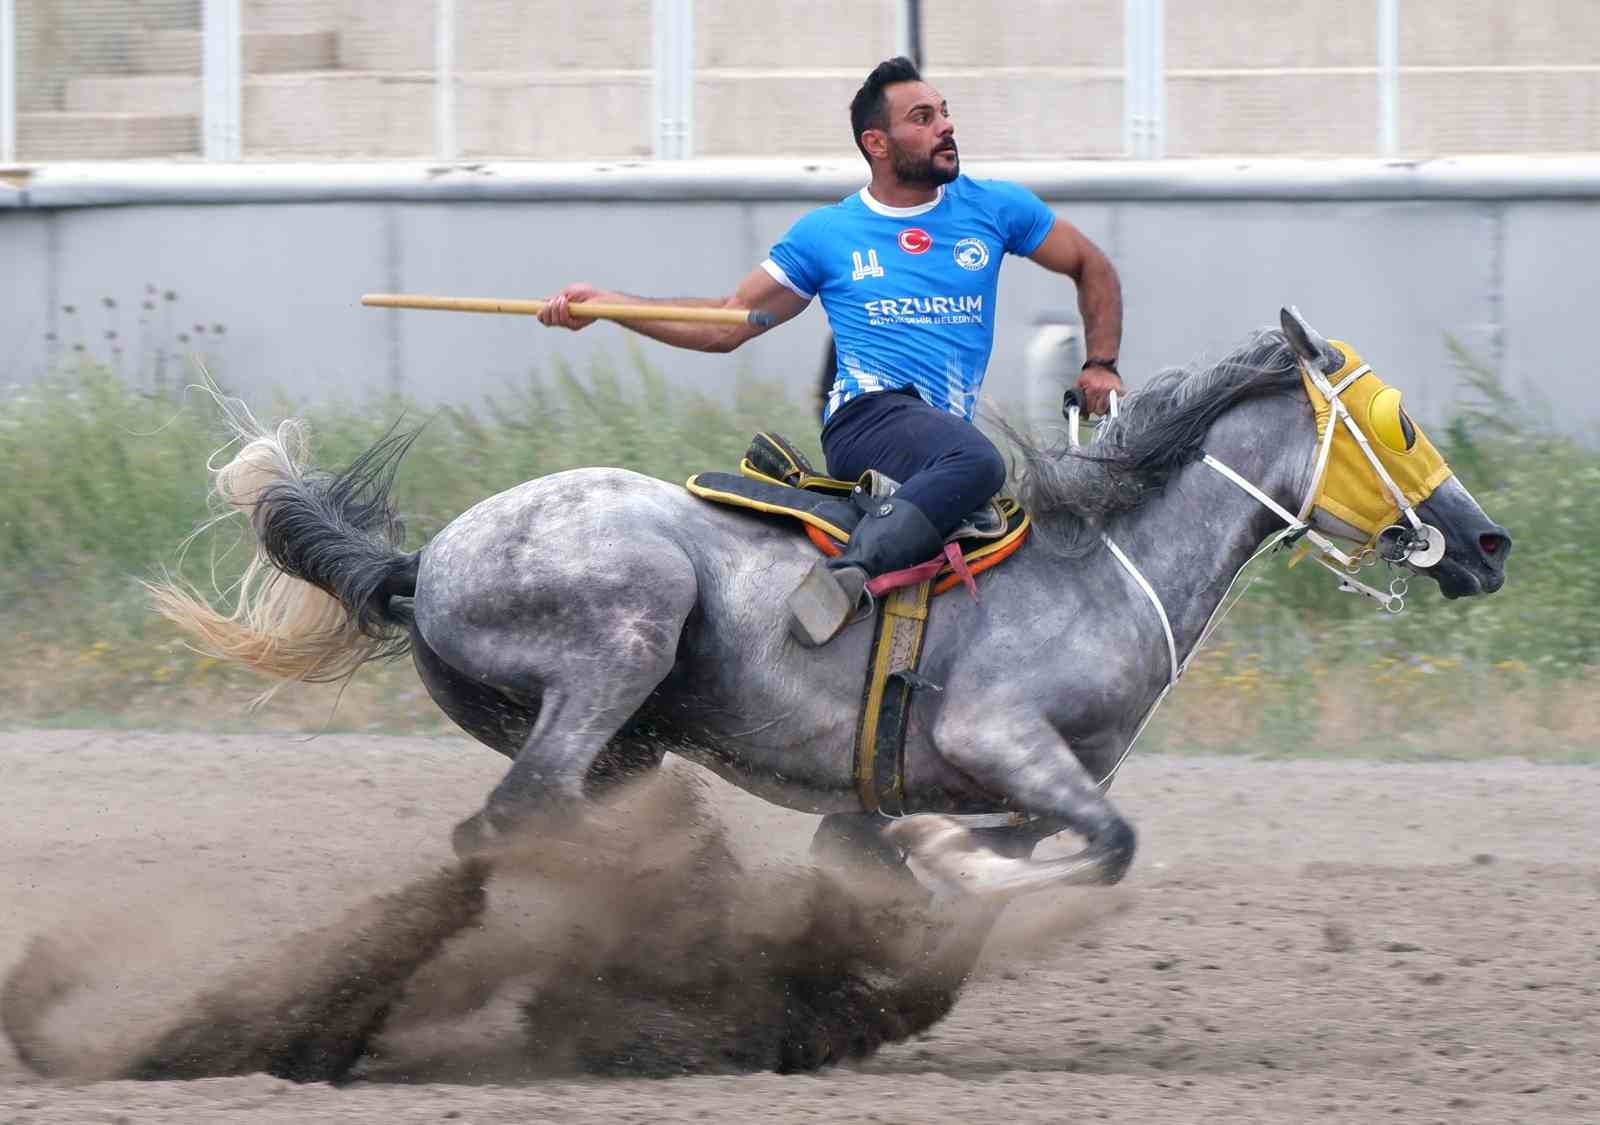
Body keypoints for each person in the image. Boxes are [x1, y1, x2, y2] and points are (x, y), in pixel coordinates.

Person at [537, 56, 1124, 646]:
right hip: (864, 421)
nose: (945, 126)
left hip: (938, 439)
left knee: (979, 482)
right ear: (878, 143)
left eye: (944, 113)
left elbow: (1090, 266)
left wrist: (1101, 363)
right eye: (922, 118)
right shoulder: (827, 233)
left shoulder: (996, 209)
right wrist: (610, 305)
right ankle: (844, 580)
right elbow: (724, 325)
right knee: (979, 463)